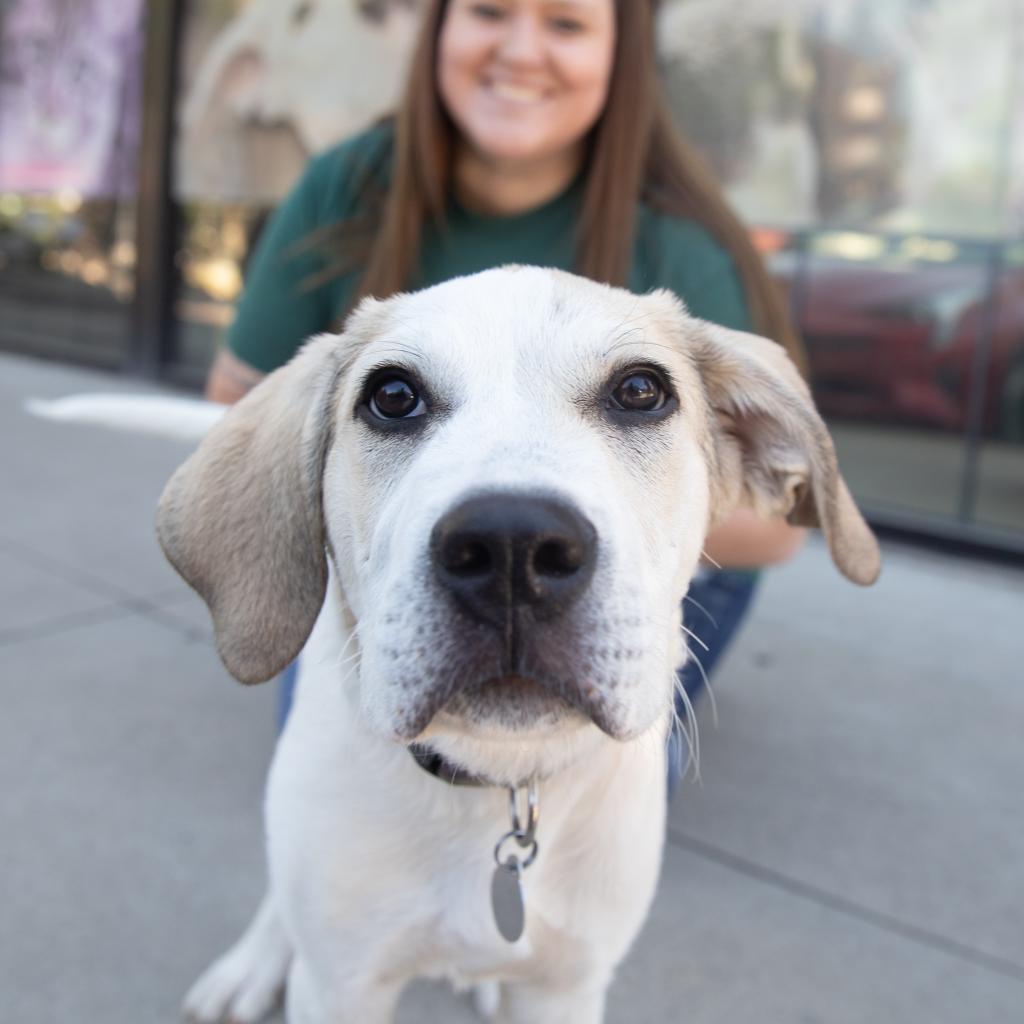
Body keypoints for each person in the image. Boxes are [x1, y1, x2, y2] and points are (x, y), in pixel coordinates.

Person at [204, 0, 806, 784]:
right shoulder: (347, 186)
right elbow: (237, 411)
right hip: (414, 555)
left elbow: (778, 527)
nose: (522, 51)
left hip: (648, 569)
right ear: (438, 32)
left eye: (566, 23)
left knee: (586, 789)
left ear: (619, 56)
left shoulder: (681, 249)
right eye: (489, 11)